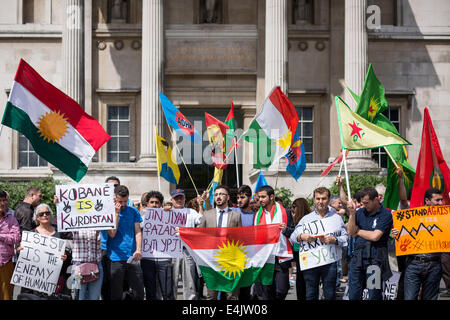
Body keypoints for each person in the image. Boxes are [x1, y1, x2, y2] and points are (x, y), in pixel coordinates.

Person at [290, 187, 348, 300]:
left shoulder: (337, 218)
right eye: (318, 199)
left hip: (330, 262)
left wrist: (335, 240)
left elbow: (345, 237)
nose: (320, 202)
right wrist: (302, 237)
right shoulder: (306, 219)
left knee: (330, 294)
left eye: (323, 198)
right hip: (311, 263)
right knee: (311, 294)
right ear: (314, 200)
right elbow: (292, 238)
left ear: (329, 199)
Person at [392, 187, 444, 300]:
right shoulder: (415, 214)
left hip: (434, 264)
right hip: (413, 263)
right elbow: (403, 202)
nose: (440, 203)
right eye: (437, 200)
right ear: (427, 200)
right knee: (410, 297)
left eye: (441, 200)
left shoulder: (445, 217)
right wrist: (397, 232)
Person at [346, 187, 393, 300]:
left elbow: (375, 236)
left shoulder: (385, 214)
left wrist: (358, 231)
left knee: (374, 294)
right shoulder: (360, 212)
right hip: (357, 259)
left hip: (375, 261)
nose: (364, 206)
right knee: (353, 294)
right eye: (362, 203)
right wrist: (352, 214)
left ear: (376, 199)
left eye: (367, 203)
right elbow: (350, 232)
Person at [198, 185, 242, 300]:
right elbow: (200, 235)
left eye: (221, 194)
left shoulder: (236, 216)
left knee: (231, 295)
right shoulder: (207, 215)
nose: (218, 197)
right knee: (211, 295)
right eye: (216, 194)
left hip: (230, 261)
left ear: (227, 197)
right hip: (212, 260)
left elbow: (240, 239)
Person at [17, 203, 69, 298]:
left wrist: (65, 257)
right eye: (41, 214)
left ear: (50, 215)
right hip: (34, 283)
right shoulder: (31, 235)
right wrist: (21, 252)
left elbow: (66, 257)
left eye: (47, 213)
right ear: (37, 218)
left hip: (55, 280)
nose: (44, 215)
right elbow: (23, 259)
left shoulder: (59, 234)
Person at [254, 185, 293, 300]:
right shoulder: (257, 215)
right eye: (259, 197)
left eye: (263, 197)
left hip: (280, 256)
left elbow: (293, 231)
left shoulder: (285, 212)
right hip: (265, 256)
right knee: (267, 290)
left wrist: (286, 229)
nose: (260, 200)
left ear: (271, 197)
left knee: (282, 290)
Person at [106, 185, 144, 300]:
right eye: (120, 201)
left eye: (125, 201)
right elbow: (112, 233)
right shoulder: (108, 212)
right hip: (116, 258)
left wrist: (138, 249)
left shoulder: (133, 211)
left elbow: (138, 231)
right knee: (116, 293)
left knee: (139, 292)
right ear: (114, 198)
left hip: (132, 257)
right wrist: (116, 214)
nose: (123, 204)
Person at [140, 190, 174, 300]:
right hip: (147, 259)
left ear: (161, 204)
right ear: (147, 204)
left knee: (167, 292)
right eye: (152, 202)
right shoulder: (142, 218)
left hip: (165, 259)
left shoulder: (170, 216)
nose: (154, 205)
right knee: (150, 292)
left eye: (157, 202)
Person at [171, 189, 203, 300]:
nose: (179, 200)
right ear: (172, 200)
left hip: (187, 250)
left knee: (189, 281)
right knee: (171, 281)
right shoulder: (166, 212)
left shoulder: (191, 212)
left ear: (185, 199)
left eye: (181, 197)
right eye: (176, 198)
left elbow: (202, 221)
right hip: (171, 251)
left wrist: (201, 206)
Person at [234, 185, 255, 300]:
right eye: (237, 198)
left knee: (245, 292)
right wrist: (206, 201)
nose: (239, 200)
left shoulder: (257, 216)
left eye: (242, 197)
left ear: (250, 197)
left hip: (249, 259)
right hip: (233, 258)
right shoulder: (232, 211)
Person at [0, 190, 21, 300]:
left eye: (4, 200)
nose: (2, 203)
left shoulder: (11, 219)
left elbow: (16, 238)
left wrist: (1, 236)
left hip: (5, 263)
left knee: (6, 295)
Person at [290, 197, 310, 300]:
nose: (292, 210)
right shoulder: (295, 218)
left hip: (305, 252)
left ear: (300, 207)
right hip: (297, 251)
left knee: (304, 278)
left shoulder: (307, 219)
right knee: (300, 277)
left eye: (294, 207)